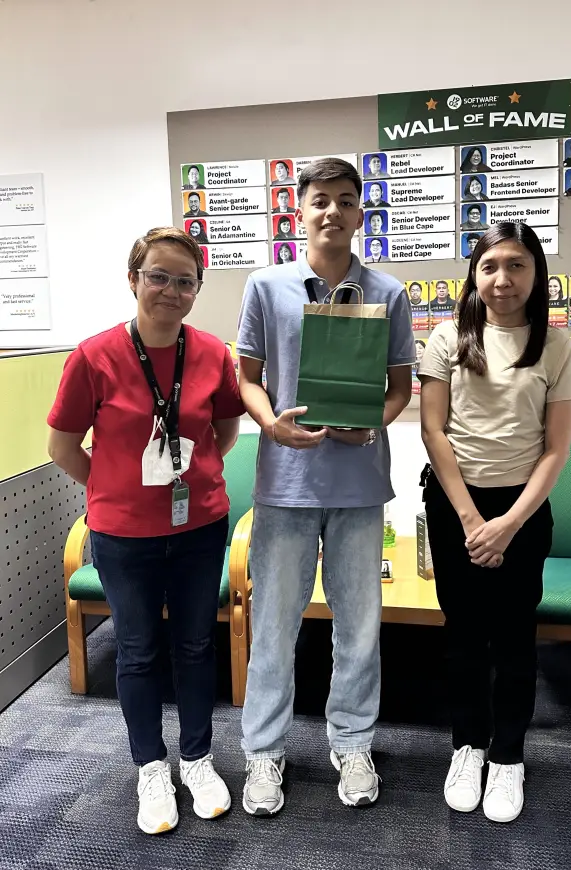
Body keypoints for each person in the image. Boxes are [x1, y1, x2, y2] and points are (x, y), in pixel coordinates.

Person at [46, 227, 245, 834]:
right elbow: (61, 446)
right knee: (136, 650)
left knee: (194, 646)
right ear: (133, 279)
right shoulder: (94, 355)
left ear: (196, 292)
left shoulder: (212, 353)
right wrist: (112, 487)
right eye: (158, 276)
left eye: (185, 281)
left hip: (199, 526)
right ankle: (150, 766)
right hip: (122, 535)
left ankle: (197, 758)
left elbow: (225, 431)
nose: (171, 290)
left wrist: (192, 476)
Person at [236, 157, 414, 816]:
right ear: (299, 210)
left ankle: (353, 742)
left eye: (345, 200)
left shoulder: (388, 293)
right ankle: (262, 752)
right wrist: (269, 426)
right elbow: (246, 377)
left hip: (359, 481)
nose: (331, 211)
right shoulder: (265, 286)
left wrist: (372, 425)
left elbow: (400, 389)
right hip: (285, 482)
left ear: (359, 213)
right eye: (319, 200)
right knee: (275, 626)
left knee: (359, 628)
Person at [418, 221, 571, 824]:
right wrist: (469, 519)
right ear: (474, 273)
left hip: (524, 509)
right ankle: (467, 746)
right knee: (463, 635)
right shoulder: (446, 337)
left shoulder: (556, 345)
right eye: (490, 266)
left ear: (535, 274)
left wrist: (508, 523)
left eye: (516, 265)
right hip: (454, 503)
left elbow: (555, 450)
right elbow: (434, 430)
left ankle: (508, 755)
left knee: (514, 637)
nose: (502, 278)